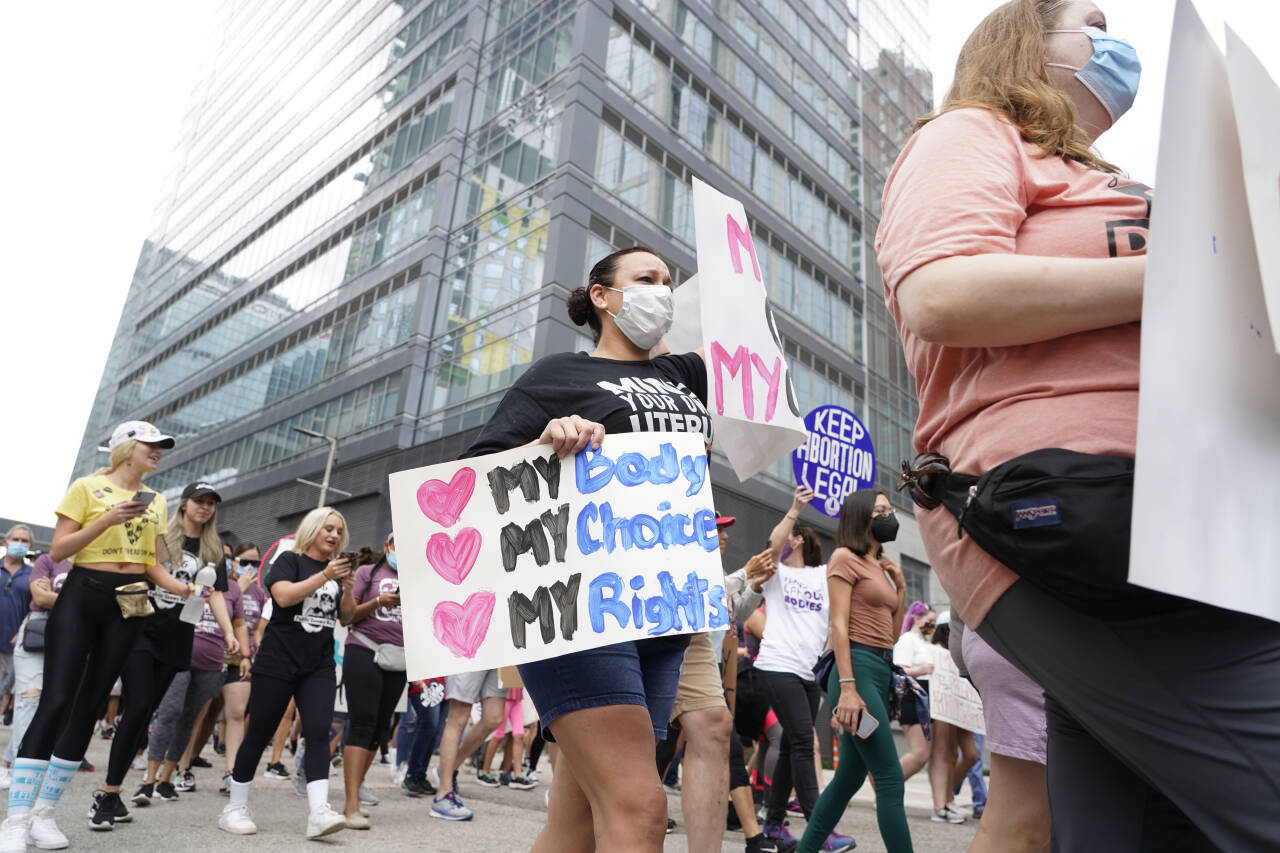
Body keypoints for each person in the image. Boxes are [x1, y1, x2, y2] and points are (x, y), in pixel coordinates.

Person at [878, 2, 1280, 849]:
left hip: (1200, 513)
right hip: (1078, 515)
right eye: (1087, 20)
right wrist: (1184, 272)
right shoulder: (973, 133)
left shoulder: (1111, 178)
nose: (1112, 41)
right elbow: (942, 292)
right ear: (1025, 41)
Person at [459, 246, 713, 851]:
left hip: (663, 611)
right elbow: (474, 477)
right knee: (640, 806)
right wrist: (549, 443)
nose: (662, 291)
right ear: (601, 296)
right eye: (645, 279)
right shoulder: (557, 377)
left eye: (668, 282)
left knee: (575, 820)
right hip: (582, 612)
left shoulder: (685, 376)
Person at [0, 421, 193, 851]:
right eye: (151, 445)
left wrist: (180, 587)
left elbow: (151, 562)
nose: (159, 451)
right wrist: (108, 519)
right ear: (126, 449)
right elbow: (59, 550)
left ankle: (44, 814)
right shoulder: (87, 488)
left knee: (90, 706)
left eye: (162, 446)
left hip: (130, 602)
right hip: (83, 595)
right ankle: (15, 819)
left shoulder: (158, 500)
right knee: (57, 700)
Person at [217, 507, 354, 839]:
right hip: (279, 660)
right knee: (259, 732)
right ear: (312, 530)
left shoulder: (333, 572)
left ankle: (318, 812)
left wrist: (346, 587)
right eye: (328, 529)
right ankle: (234, 807)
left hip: (318, 664)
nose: (334, 535)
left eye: (339, 531)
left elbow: (346, 618)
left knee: (320, 731)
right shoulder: (289, 560)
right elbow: (282, 596)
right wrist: (325, 577)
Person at [114, 482, 235, 824]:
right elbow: (138, 575)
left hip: (182, 637)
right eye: (200, 501)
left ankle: (155, 776)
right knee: (150, 709)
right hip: (146, 629)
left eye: (211, 503)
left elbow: (214, 595)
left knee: (170, 711)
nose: (205, 507)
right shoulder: (161, 536)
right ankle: (132, 784)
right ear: (183, 504)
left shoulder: (212, 549)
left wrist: (228, 632)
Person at [799, 490, 911, 853]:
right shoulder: (844, 558)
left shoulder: (879, 566)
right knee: (891, 780)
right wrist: (848, 688)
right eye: (880, 510)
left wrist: (903, 588)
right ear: (861, 516)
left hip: (879, 669)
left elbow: (891, 637)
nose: (888, 516)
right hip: (856, 672)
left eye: (890, 511)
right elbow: (838, 625)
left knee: (848, 779)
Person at [753, 487, 854, 853]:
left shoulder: (823, 578)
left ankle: (775, 825)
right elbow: (773, 542)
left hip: (809, 673)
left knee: (791, 747)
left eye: (793, 535)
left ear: (801, 543)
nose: (785, 539)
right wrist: (795, 507)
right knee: (801, 741)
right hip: (776, 665)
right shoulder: (776, 572)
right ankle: (820, 828)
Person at [337, 536, 405, 829]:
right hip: (364, 649)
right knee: (362, 723)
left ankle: (358, 791)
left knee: (380, 728)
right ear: (388, 545)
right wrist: (379, 601)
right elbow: (347, 617)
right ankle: (350, 804)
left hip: (399, 658)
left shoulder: (422, 579)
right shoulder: (369, 572)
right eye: (396, 542)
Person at [926, 615, 977, 824]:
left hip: (962, 709)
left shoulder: (958, 655)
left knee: (970, 755)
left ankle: (947, 797)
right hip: (944, 708)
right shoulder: (935, 653)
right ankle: (944, 801)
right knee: (947, 754)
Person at [0, 527, 35, 790]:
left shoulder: (31, 573)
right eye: (16, 540)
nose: (20, 544)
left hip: (18, 649)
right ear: (5, 542)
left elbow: (37, 606)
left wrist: (22, 629)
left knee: (22, 705)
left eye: (25, 541)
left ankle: (7, 764)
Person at [892, 606, 937, 787]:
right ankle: (887, 786)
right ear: (916, 618)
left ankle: (888, 788)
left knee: (924, 754)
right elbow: (900, 672)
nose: (931, 626)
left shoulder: (925, 644)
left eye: (934, 623)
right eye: (929, 622)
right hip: (913, 698)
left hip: (926, 699)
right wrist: (921, 670)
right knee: (920, 753)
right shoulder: (907, 640)